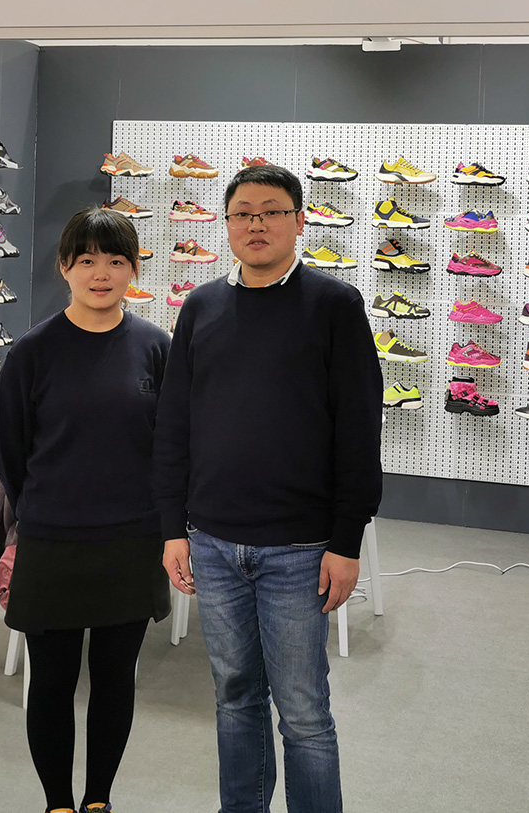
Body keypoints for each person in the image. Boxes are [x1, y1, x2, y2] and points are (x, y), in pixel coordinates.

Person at [153, 163, 383, 813]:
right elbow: (174, 425)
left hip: (300, 548)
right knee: (234, 698)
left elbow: (358, 431)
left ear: (299, 221)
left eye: (272, 211)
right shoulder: (200, 307)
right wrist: (172, 528)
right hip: (213, 542)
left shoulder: (335, 305)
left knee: (304, 712)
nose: (256, 224)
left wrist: (346, 541)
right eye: (243, 213)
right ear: (227, 224)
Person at [0, 206, 172, 813]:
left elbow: (172, 446)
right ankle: (57, 804)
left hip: (132, 540)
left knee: (117, 678)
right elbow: (9, 452)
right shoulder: (32, 352)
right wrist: (46, 510)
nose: (101, 273)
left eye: (116, 260)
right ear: (64, 266)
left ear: (134, 269)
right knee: (52, 680)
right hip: (53, 540)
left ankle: (98, 800)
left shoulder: (156, 348)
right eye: (87, 260)